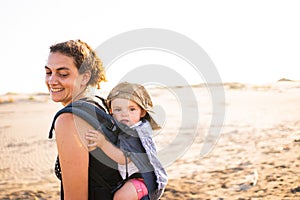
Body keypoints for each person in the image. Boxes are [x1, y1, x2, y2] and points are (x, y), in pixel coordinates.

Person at [46, 39, 123, 200]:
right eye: (48, 72)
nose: (52, 80)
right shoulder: (99, 104)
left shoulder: (69, 120)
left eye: (63, 74)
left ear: (85, 77)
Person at [85, 82, 168, 200]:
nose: (124, 114)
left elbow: (123, 159)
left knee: (121, 197)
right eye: (118, 109)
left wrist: (102, 143)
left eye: (132, 109)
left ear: (142, 112)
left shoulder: (135, 133)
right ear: (111, 111)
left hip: (144, 181)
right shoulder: (125, 128)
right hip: (135, 180)